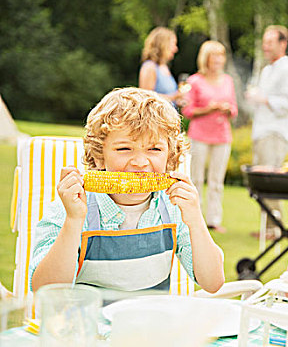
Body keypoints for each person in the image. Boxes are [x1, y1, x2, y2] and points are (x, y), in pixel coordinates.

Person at [29, 88, 225, 294]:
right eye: (124, 149)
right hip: (86, 323)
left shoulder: (174, 209)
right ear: (99, 156)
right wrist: (73, 221)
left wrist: (195, 220)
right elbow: (45, 290)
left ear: (170, 157)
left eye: (154, 149)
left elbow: (213, 282)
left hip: (149, 324)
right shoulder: (72, 208)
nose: (140, 162)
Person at [245, 25, 288, 239]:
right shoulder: (267, 70)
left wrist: (264, 99)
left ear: (282, 44)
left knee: (270, 180)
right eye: (264, 42)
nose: (265, 47)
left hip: (276, 133)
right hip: (261, 131)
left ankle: (274, 229)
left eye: (270, 42)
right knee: (262, 182)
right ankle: (267, 228)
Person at [182, 41, 238, 234]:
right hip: (199, 136)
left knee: (216, 182)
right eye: (214, 56)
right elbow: (188, 110)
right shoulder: (194, 81)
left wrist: (228, 110)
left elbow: (234, 108)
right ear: (206, 59)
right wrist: (210, 109)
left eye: (221, 55)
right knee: (196, 179)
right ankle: (193, 219)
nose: (218, 60)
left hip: (222, 137)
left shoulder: (228, 81)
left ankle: (214, 220)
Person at [139, 26, 186, 107]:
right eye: (173, 44)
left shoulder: (164, 67)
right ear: (163, 45)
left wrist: (177, 101)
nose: (176, 49)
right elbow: (146, 98)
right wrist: (174, 97)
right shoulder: (149, 67)